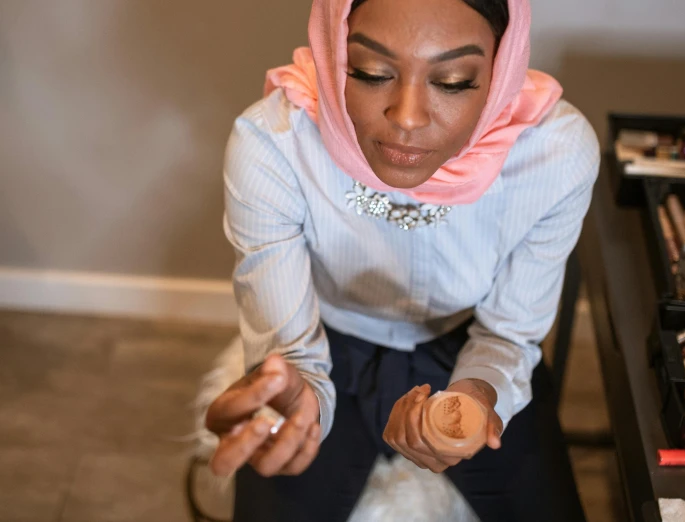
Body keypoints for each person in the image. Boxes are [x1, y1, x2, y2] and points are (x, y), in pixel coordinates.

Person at [206, 0, 599, 520]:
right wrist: (295, 397)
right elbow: (290, 348)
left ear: (502, 69)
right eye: (371, 73)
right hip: (329, 345)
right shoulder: (274, 143)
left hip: (468, 343)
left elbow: (510, 334)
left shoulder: (554, 152)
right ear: (333, 50)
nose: (408, 117)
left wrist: (480, 397)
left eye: (455, 80)